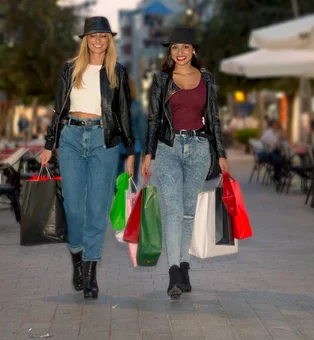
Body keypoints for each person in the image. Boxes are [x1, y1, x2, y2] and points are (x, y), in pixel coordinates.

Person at [39, 16, 135, 299]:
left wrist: (130, 151)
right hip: (70, 138)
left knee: (96, 208)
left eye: (103, 36)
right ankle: (77, 258)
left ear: (109, 40)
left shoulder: (117, 71)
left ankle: (90, 273)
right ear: (85, 39)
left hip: (103, 141)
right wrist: (48, 143)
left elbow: (124, 114)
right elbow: (59, 109)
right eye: (93, 36)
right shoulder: (70, 69)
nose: (98, 40)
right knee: (73, 207)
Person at [141, 27, 228, 300]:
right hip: (168, 149)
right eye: (175, 47)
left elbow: (213, 119)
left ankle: (184, 266)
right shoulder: (161, 80)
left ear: (194, 51)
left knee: (189, 210)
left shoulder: (207, 79)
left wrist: (221, 154)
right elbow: (154, 119)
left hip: (199, 149)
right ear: (170, 51)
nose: (180, 52)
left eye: (185, 47)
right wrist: (148, 153)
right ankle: (173, 271)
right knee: (173, 208)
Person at [118, 79, 146, 184]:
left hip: (120, 145)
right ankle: (133, 198)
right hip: (135, 146)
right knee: (133, 177)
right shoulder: (137, 106)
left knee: (118, 176)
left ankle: (119, 198)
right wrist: (144, 148)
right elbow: (142, 127)